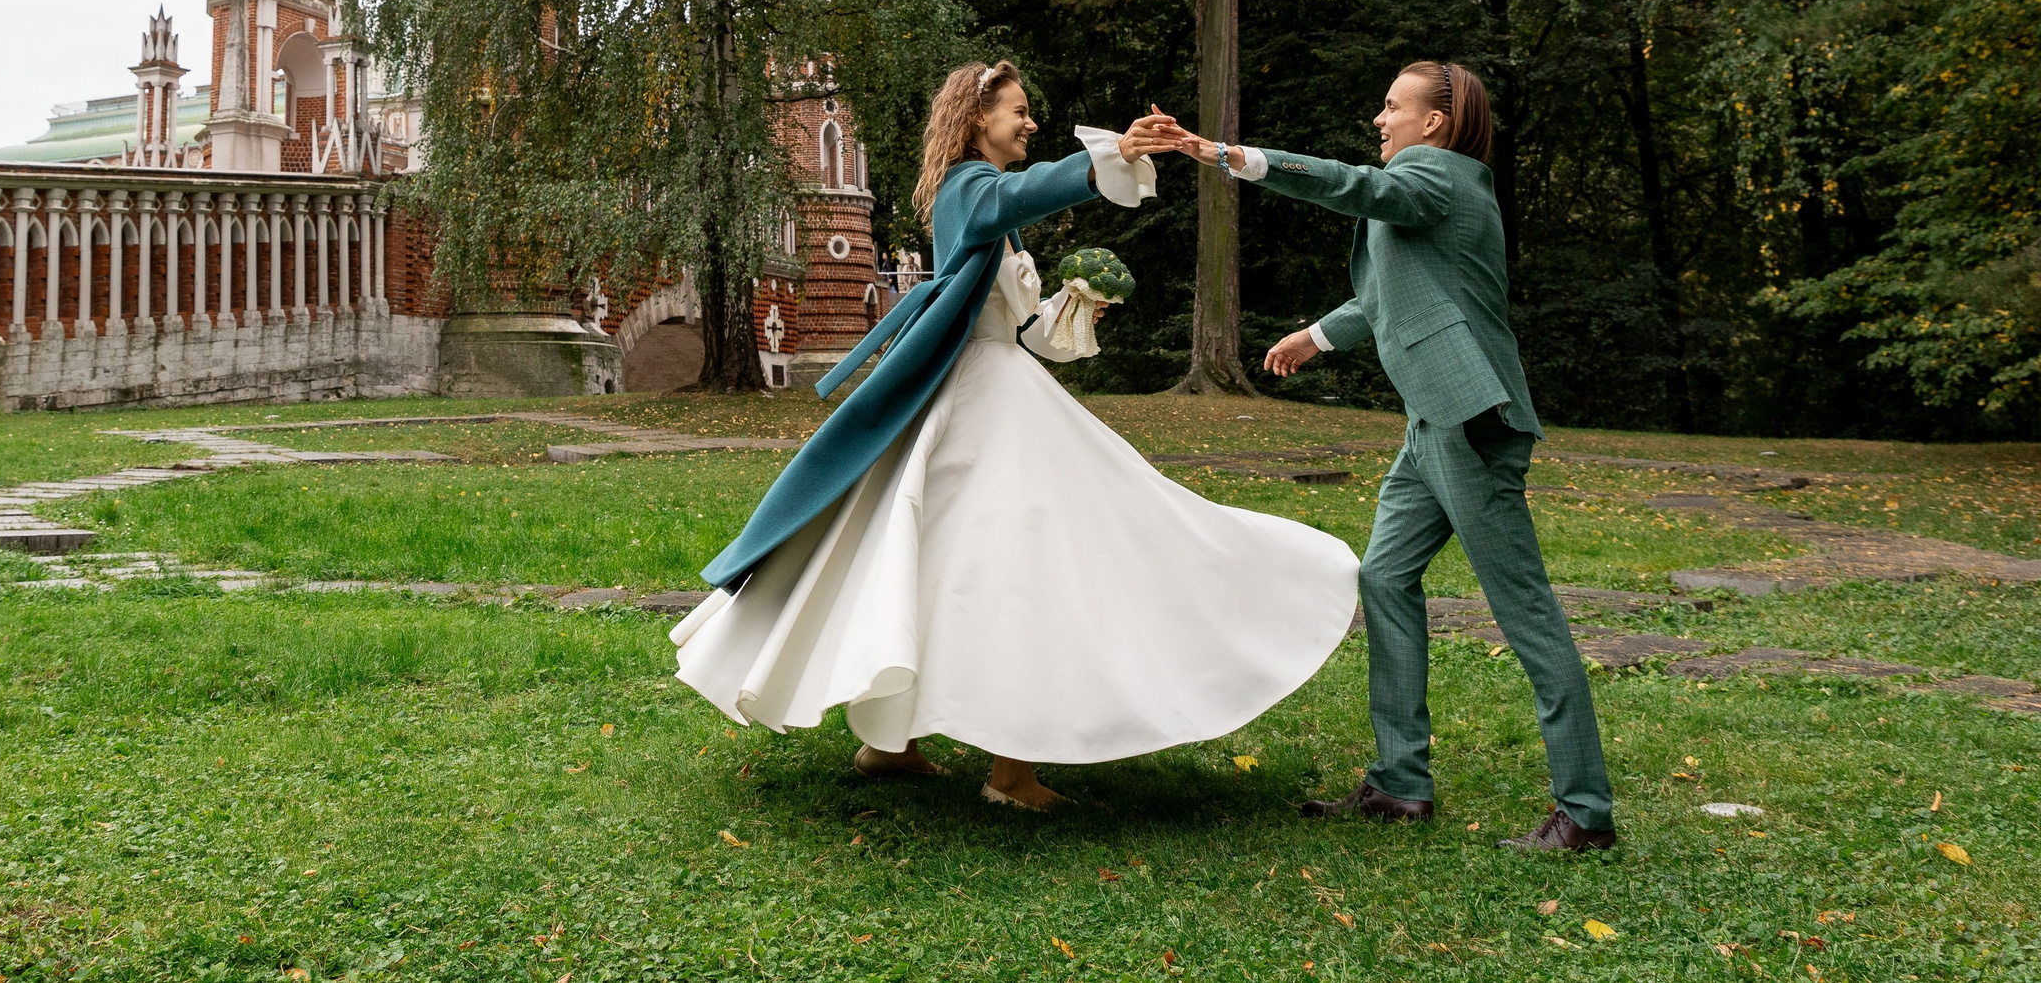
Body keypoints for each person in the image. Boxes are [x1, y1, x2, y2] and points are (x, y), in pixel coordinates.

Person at [672, 61, 1361, 810]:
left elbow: (1025, 333)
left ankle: (890, 743)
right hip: (980, 405)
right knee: (1018, 570)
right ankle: (1009, 773)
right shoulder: (971, 189)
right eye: (1019, 111)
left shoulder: (996, 217)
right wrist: (1116, 153)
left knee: (943, 564)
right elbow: (1020, 193)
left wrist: (1076, 305)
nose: (1030, 122)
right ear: (976, 120)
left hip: (1000, 391)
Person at [1181, 61, 1618, 853]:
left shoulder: (1440, 179)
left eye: (1392, 107)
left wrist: (1232, 156)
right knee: (1383, 579)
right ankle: (1399, 784)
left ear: (1435, 123)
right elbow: (1387, 296)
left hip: (1470, 424)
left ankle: (1585, 810)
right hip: (1430, 423)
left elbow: (1355, 187)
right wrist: (1313, 337)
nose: (1379, 119)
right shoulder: (1428, 191)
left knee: (1528, 617)